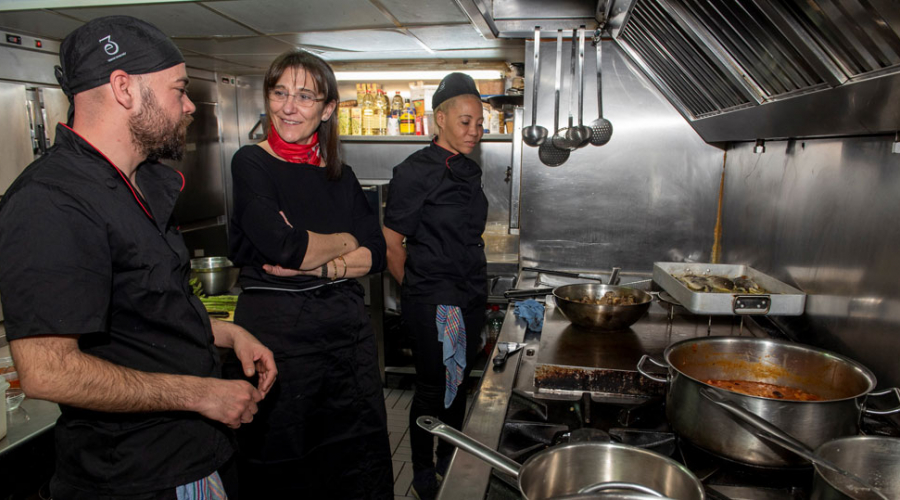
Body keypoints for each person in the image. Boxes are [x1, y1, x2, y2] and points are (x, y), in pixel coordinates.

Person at [0, 15, 277, 500]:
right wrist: (200, 393)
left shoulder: (140, 183)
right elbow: (48, 370)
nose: (189, 105)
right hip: (134, 476)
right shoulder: (51, 200)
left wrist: (225, 333)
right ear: (124, 88)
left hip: (194, 455)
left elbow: (143, 311)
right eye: (179, 89)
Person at [226, 49, 392, 499]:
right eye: (279, 93)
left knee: (355, 461)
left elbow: (376, 254)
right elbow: (285, 246)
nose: (288, 107)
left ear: (328, 108)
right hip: (278, 339)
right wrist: (344, 242)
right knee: (283, 466)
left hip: (346, 340)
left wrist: (322, 255)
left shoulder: (342, 174)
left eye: (304, 96)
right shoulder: (251, 163)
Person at [383, 73, 488, 499]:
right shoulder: (414, 171)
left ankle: (450, 456)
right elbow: (391, 243)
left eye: (479, 124)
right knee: (433, 387)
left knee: (458, 383)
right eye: (465, 122)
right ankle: (423, 472)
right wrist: (421, 294)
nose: (474, 132)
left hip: (469, 296)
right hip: (436, 300)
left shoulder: (470, 169)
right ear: (440, 118)